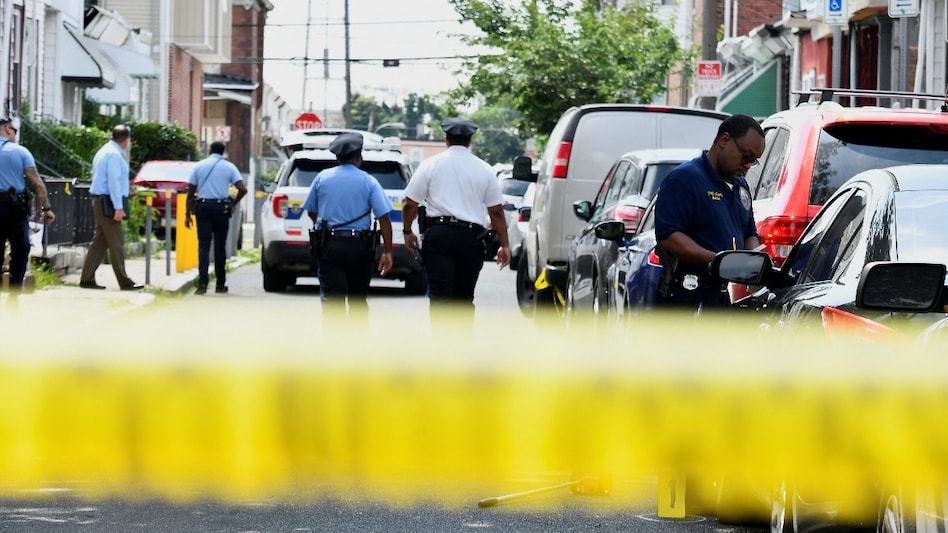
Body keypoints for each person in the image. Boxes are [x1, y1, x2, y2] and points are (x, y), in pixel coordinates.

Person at [401, 117, 510, 325]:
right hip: (471, 239)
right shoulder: (484, 169)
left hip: (438, 237)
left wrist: (407, 231)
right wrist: (504, 245)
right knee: (464, 299)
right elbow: (496, 211)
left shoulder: (430, 165)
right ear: (470, 142)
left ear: (446, 140)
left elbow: (409, 203)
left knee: (440, 298)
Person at [653, 113, 765, 313]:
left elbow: (749, 232)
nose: (748, 165)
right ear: (725, 140)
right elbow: (669, 236)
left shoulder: (740, 185)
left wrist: (752, 262)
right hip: (684, 296)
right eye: (746, 157)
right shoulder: (684, 179)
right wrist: (717, 260)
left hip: (719, 295)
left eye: (753, 161)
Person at [302, 133, 394, 322]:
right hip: (359, 247)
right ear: (359, 157)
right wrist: (388, 252)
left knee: (332, 301)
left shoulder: (322, 178)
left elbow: (311, 211)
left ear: (337, 158)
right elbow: (384, 218)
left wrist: (324, 226)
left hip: (329, 245)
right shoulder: (369, 181)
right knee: (358, 301)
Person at [79, 124, 143, 291]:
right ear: (126, 140)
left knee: (100, 242)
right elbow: (113, 182)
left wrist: (125, 191)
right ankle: (124, 281)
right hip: (108, 202)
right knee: (117, 243)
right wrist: (118, 207)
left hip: (100, 200)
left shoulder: (103, 151)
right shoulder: (114, 155)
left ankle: (86, 278)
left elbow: (104, 179)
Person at [184, 141, 247, 295]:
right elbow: (242, 189)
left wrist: (187, 214)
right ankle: (220, 284)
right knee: (220, 247)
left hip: (203, 208)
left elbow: (190, 193)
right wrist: (233, 203)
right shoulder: (229, 167)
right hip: (221, 209)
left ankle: (202, 284)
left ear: (210, 150)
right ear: (223, 152)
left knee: (204, 246)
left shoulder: (199, 166)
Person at [0, 118, 55, 291]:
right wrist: (47, 209)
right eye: (14, 131)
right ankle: (14, 293)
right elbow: (37, 183)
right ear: (8, 130)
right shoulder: (20, 152)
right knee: (20, 250)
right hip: (15, 210)